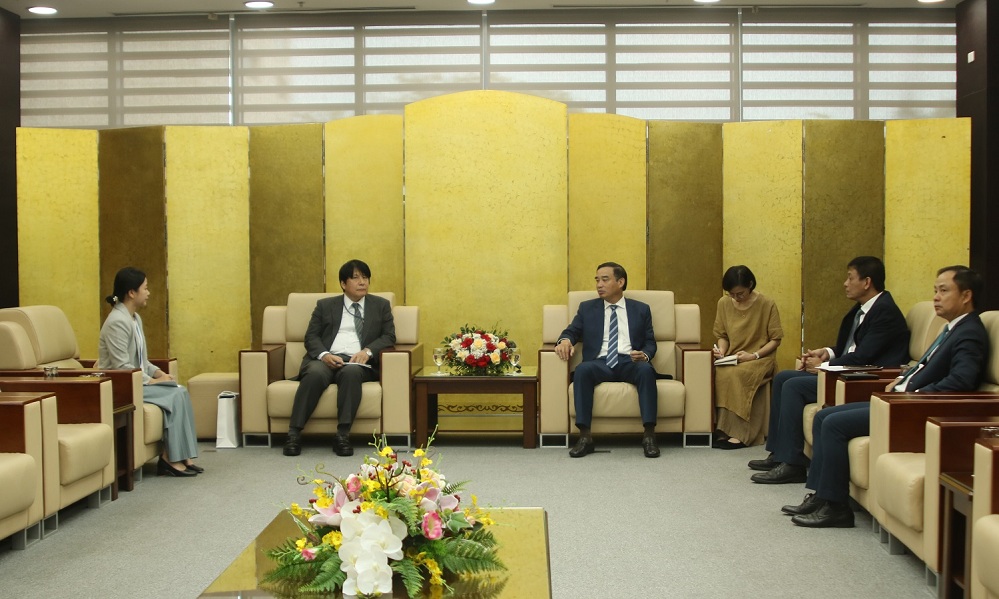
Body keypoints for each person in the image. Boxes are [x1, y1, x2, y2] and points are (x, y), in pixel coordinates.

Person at [785, 266, 988, 528]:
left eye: (943, 290)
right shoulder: (951, 328)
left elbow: (961, 381)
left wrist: (914, 394)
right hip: (900, 400)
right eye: (935, 290)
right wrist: (903, 379)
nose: (936, 297)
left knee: (834, 424)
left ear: (966, 295)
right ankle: (822, 496)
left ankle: (836, 508)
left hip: (913, 409)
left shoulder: (970, 332)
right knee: (824, 416)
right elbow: (927, 368)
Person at [750, 256, 910, 484]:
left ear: (867, 282)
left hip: (860, 380)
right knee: (784, 377)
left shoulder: (885, 312)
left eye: (850, 278)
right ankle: (779, 453)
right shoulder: (864, 309)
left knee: (794, 386)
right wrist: (827, 353)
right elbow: (852, 347)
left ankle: (792, 464)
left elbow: (863, 357)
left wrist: (823, 367)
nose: (845, 283)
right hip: (846, 371)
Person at [283, 259, 396, 458]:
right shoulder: (325, 306)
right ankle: (294, 434)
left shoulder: (380, 305)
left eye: (365, 277)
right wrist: (325, 355)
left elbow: (389, 336)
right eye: (356, 278)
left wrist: (367, 351)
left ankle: (342, 435)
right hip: (326, 359)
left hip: (357, 362)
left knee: (351, 373)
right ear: (343, 283)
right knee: (315, 373)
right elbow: (311, 337)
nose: (362, 282)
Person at [96, 267, 201, 478]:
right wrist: (152, 382)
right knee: (175, 393)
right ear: (131, 293)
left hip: (136, 381)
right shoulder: (117, 322)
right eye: (145, 288)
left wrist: (159, 373)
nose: (148, 292)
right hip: (121, 386)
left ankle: (184, 456)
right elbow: (121, 367)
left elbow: (141, 362)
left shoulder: (135, 318)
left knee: (180, 390)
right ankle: (170, 458)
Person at [555, 262, 660, 458]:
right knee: (582, 370)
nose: (599, 285)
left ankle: (649, 435)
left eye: (605, 279)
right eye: (597, 280)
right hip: (600, 362)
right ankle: (585, 437)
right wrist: (565, 340)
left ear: (620, 282)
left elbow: (650, 342)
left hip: (630, 361)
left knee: (646, 370)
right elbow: (572, 331)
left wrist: (644, 355)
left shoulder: (641, 309)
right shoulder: (587, 308)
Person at [712, 265, 783, 449]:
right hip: (733, 356)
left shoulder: (767, 304)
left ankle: (740, 434)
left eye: (740, 294)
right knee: (721, 372)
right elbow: (722, 335)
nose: (736, 298)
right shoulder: (724, 303)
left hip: (760, 358)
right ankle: (723, 430)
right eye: (731, 294)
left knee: (738, 374)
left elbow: (775, 339)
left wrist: (753, 355)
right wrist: (722, 351)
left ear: (750, 285)